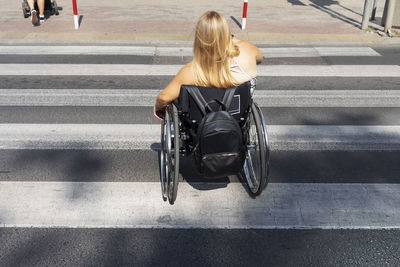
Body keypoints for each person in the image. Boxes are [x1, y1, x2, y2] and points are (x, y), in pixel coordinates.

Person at [154, 10, 263, 120]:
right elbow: (259, 58)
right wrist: (229, 38)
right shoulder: (247, 50)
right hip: (238, 118)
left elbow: (163, 98)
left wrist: (159, 109)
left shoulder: (192, 71)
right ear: (226, 32)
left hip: (203, 126)